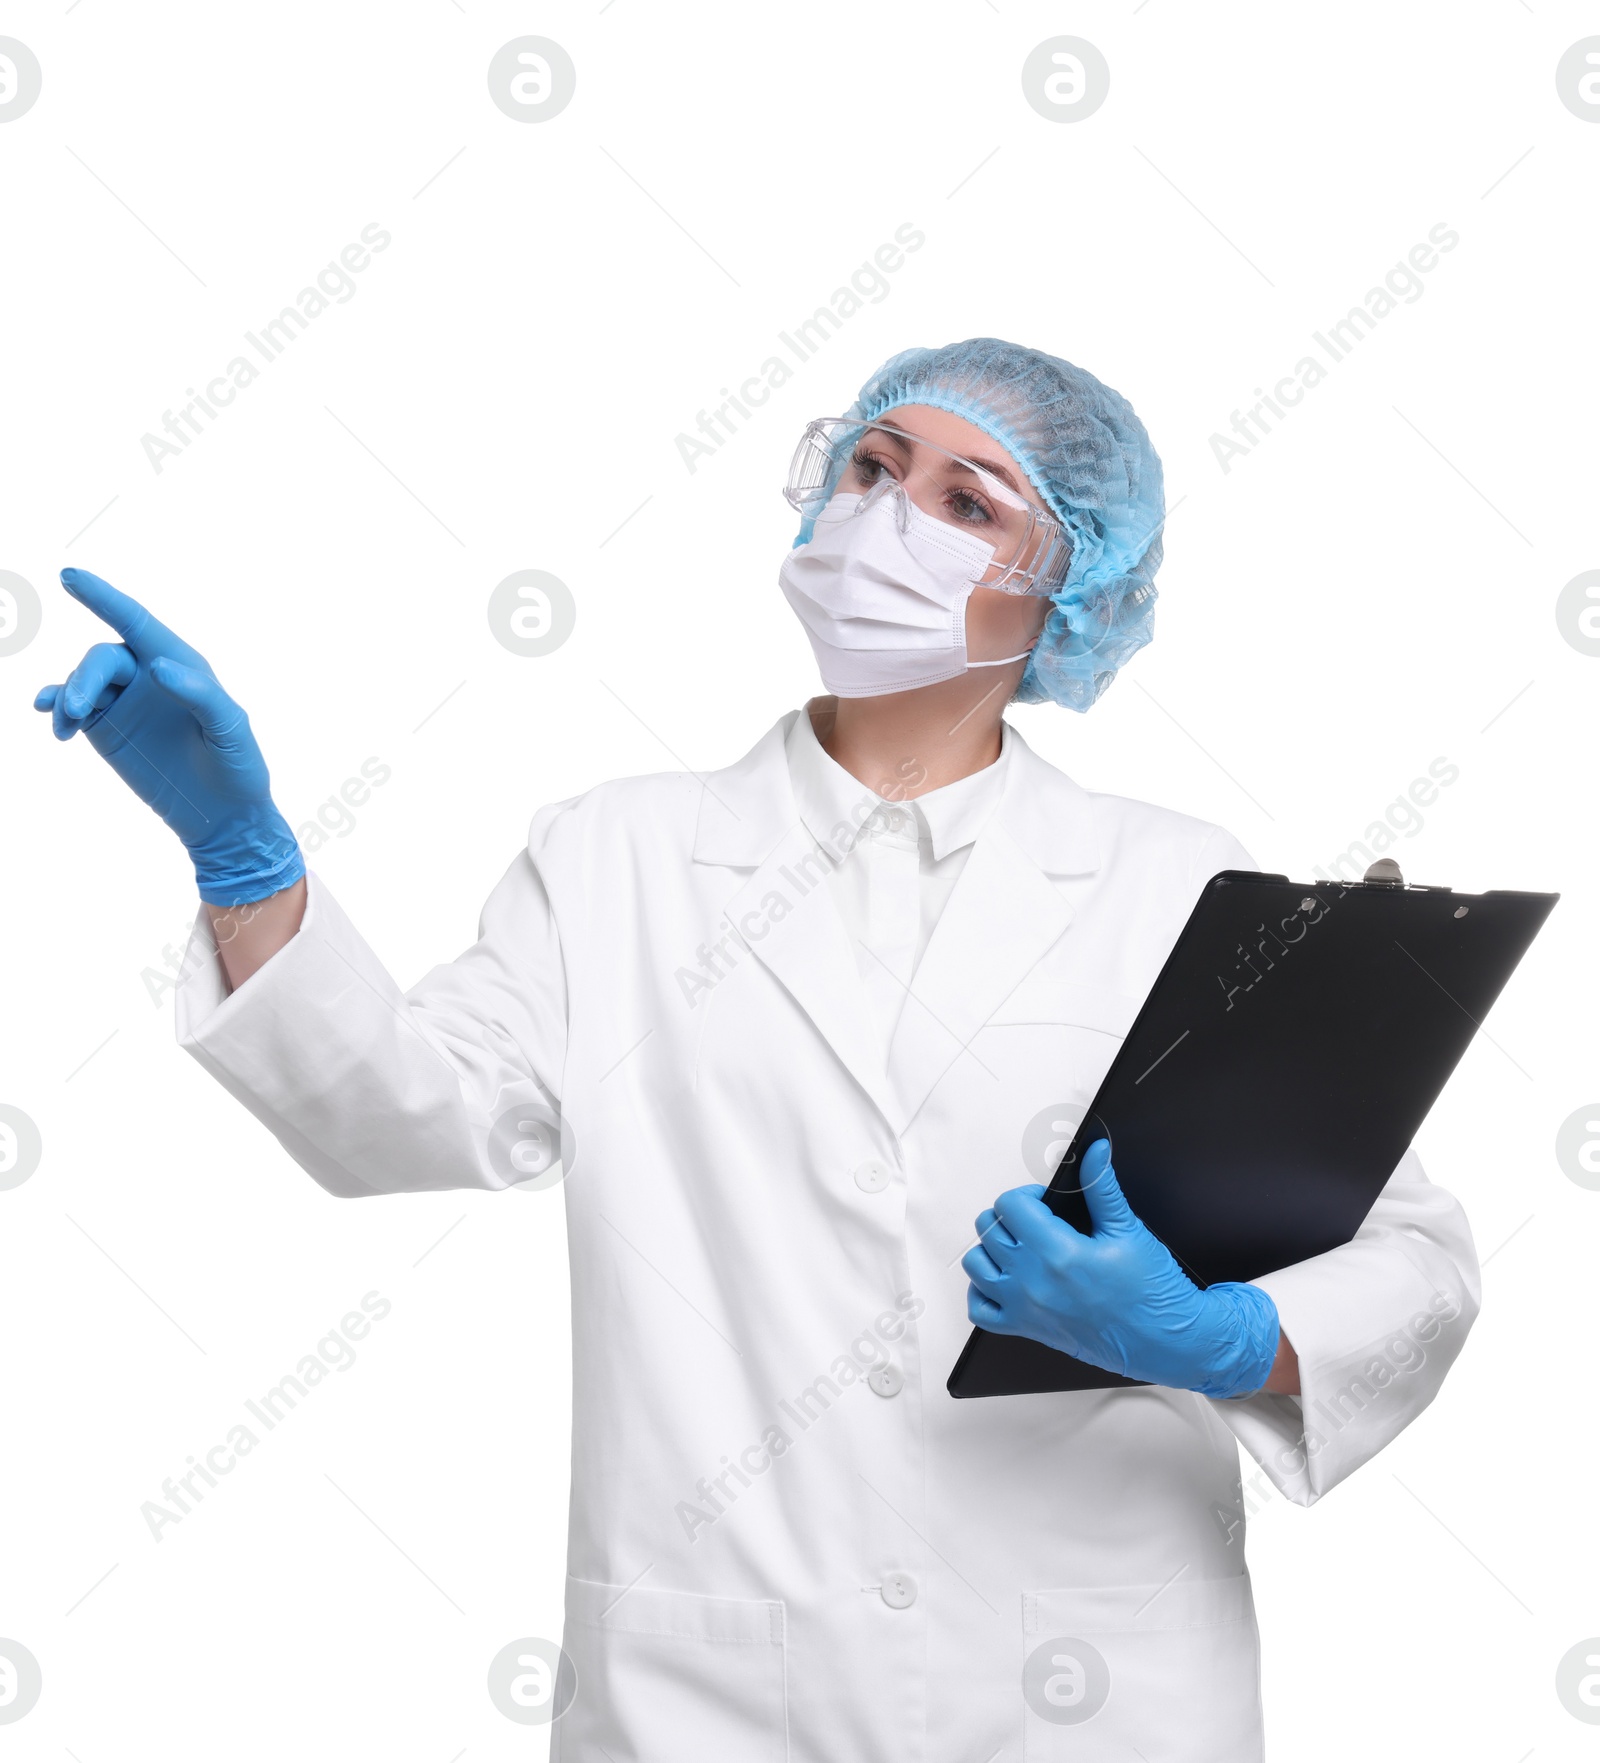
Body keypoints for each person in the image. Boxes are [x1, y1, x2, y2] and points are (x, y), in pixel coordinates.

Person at [36, 338, 1479, 1760]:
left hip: (1093, 1690)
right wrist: (243, 858)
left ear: (1072, 592)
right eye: (870, 467)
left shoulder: (1178, 884)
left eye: (968, 504)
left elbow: (1409, 1256)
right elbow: (395, 1118)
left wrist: (1224, 1339)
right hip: (709, 1693)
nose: (885, 520)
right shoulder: (617, 857)